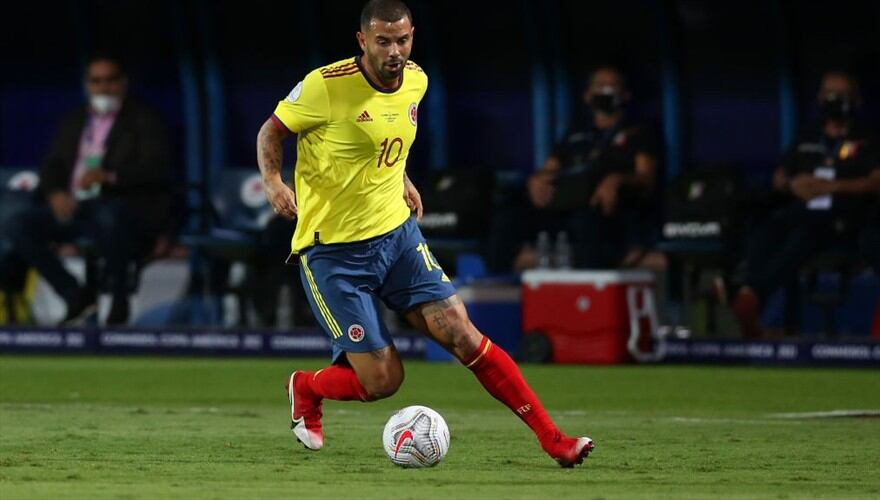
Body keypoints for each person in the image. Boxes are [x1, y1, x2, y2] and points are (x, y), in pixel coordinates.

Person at [255, 0, 592, 467]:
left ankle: (553, 439)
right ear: (362, 41)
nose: (395, 51)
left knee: (463, 335)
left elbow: (386, 141)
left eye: (403, 40)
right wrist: (274, 181)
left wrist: (402, 177)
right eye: (383, 41)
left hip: (397, 238)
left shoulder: (416, 80)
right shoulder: (324, 87)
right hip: (333, 253)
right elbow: (270, 133)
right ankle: (306, 387)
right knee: (382, 382)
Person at [7, 53, 173, 325]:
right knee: (17, 224)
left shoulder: (144, 119)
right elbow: (52, 165)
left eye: (110, 80)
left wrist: (110, 176)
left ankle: (118, 303)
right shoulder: (73, 121)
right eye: (96, 81)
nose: (103, 87)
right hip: (76, 208)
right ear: (87, 85)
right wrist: (56, 194)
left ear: (123, 82)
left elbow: (156, 169)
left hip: (121, 208)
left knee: (111, 219)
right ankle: (74, 293)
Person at [732, 70, 880, 338]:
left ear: (856, 100)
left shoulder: (869, 138)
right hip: (803, 210)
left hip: (846, 218)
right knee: (768, 227)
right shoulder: (807, 135)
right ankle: (749, 295)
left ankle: (751, 294)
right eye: (828, 94)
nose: (834, 100)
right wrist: (794, 184)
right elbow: (780, 176)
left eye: (841, 95)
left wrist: (831, 186)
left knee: (803, 238)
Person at [495, 66, 658, 271]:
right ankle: (497, 289)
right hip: (564, 206)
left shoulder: (639, 131)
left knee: (587, 222)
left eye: (612, 86)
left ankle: (588, 294)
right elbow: (549, 169)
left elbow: (646, 178)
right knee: (508, 216)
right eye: (599, 86)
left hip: (605, 210)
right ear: (587, 95)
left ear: (625, 94)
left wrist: (616, 180)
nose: (605, 91)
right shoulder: (576, 133)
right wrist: (536, 181)